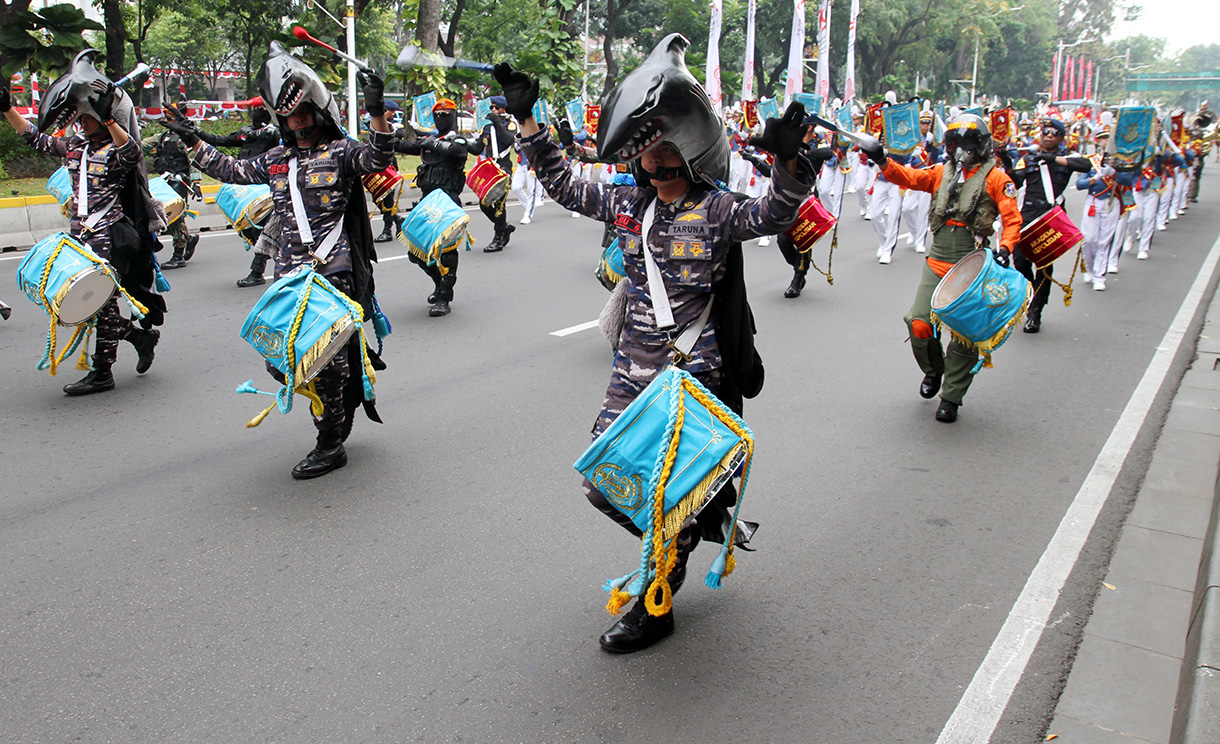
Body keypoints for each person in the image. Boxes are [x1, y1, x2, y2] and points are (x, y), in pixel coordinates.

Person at [497, 33, 816, 653]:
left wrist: (788, 164)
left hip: (693, 375)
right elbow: (562, 183)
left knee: (668, 491)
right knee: (603, 482)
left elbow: (775, 216)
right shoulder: (626, 204)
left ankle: (659, 596)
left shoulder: (720, 210)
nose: (658, 168)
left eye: (669, 156)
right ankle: (692, 524)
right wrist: (529, 119)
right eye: (649, 158)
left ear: (692, 153)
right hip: (633, 369)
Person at [162, 41, 393, 479]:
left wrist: (376, 108)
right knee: (282, 360)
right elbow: (229, 169)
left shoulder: (343, 152)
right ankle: (341, 408)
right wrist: (190, 138)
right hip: (289, 278)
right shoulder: (275, 160)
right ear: (281, 119)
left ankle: (330, 443)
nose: (298, 119)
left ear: (317, 112)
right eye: (290, 114)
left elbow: (380, 156)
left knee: (323, 362)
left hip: (333, 274)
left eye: (304, 112)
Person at [1, 51, 165, 395]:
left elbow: (133, 154)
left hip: (110, 237)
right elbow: (36, 138)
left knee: (101, 306)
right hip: (81, 236)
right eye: (81, 118)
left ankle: (102, 372)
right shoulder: (77, 147)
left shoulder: (116, 151)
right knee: (85, 306)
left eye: (87, 118)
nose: (81, 123)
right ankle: (140, 337)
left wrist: (108, 120)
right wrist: (6, 108)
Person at [859, 113, 1022, 423]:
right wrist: (881, 159)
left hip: (971, 269)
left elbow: (1012, 218)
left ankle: (951, 398)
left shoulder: (997, 178)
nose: (962, 149)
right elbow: (907, 177)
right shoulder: (939, 172)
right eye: (956, 142)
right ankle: (934, 371)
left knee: (964, 336)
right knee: (918, 322)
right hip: (936, 261)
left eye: (968, 143)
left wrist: (1005, 247)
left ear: (981, 146)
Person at [1007, 118, 1092, 333]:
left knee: (1043, 266)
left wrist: (1054, 159)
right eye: (1046, 132)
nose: (1049, 136)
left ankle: (1036, 312)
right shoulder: (1029, 159)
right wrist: (1007, 163)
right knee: (1020, 262)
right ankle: (1029, 297)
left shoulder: (1065, 159)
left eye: (1054, 133)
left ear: (1061, 138)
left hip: (1050, 218)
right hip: (1027, 216)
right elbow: (1014, 182)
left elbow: (1086, 164)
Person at [393, 97, 470, 317]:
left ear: (453, 116)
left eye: (445, 115)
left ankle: (445, 297)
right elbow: (407, 145)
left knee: (446, 252)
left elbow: (458, 152)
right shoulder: (430, 139)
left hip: (447, 203)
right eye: (437, 115)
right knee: (415, 251)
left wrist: (431, 143)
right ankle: (438, 282)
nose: (439, 118)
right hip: (427, 202)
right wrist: (389, 137)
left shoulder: (459, 141)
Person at [195, 106, 282, 286]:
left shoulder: (274, 133)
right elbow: (218, 140)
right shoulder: (246, 133)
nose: (258, 111)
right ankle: (285, 267)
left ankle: (259, 271)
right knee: (255, 231)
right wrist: (193, 132)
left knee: (268, 229)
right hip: (246, 189)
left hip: (267, 190)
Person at [1076, 131, 1134, 292]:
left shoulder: (1121, 161)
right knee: (1088, 239)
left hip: (1111, 202)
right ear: (1098, 141)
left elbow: (1128, 180)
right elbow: (1080, 184)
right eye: (1103, 138)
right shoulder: (1090, 160)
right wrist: (1096, 178)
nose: (1106, 141)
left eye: (1109, 138)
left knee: (1104, 240)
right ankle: (1089, 268)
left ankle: (1099, 276)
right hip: (1093, 202)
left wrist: (1113, 173)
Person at [468, 96, 517, 252]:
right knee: (484, 204)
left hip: (503, 168)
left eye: (496, 108)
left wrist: (497, 122)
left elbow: (509, 140)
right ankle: (504, 227)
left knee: (499, 204)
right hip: (489, 168)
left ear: (503, 109)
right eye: (492, 108)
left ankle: (498, 238)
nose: (494, 111)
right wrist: (462, 144)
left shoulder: (510, 124)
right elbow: (477, 148)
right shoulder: (487, 128)